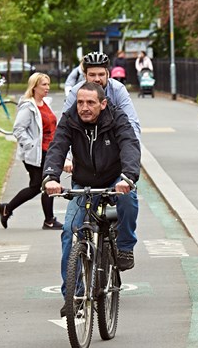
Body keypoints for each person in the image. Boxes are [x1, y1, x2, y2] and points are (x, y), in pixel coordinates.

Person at [43, 81, 141, 312]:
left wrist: (127, 178)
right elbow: (57, 147)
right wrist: (51, 177)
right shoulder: (70, 119)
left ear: (103, 103)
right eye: (80, 102)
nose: (84, 107)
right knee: (69, 232)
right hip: (83, 182)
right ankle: (73, 297)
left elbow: (130, 145)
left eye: (90, 102)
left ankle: (125, 247)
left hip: (116, 180)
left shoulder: (117, 118)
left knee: (128, 201)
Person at [0, 72, 64, 230]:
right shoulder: (28, 106)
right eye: (44, 85)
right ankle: (49, 221)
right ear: (34, 87)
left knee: (38, 186)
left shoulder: (44, 103)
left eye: (48, 84)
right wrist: (31, 145)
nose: (47, 88)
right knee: (47, 184)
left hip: (49, 150)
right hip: (37, 153)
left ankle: (7, 209)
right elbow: (19, 129)